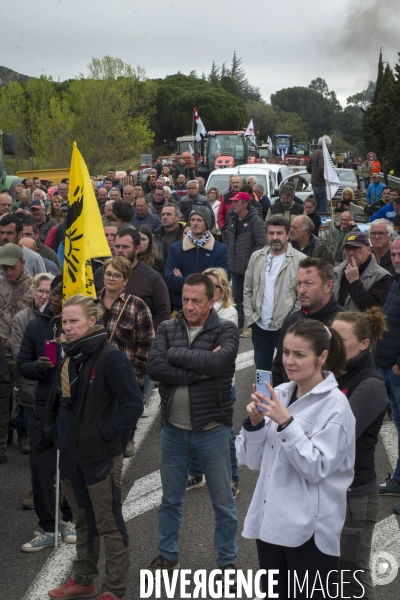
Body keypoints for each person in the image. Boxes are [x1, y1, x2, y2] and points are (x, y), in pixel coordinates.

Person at [236, 319, 356, 599]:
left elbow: (317, 469)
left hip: (309, 533)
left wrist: (286, 423)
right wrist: (254, 424)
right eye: (286, 352)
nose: (289, 361)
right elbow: (253, 461)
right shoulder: (281, 394)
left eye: (299, 354)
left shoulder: (336, 408)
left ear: (322, 357)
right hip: (270, 525)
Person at [39, 294, 143, 600]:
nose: (68, 328)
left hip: (99, 456)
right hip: (71, 455)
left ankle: (113, 588)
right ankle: (83, 579)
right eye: (65, 322)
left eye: (74, 321)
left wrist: (102, 435)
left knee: (109, 522)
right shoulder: (70, 356)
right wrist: (54, 435)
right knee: (83, 519)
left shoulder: (111, 358)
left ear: (92, 322)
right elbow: (60, 403)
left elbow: (133, 404)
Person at [147, 273, 239, 577]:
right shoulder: (167, 327)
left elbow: (219, 365)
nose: (188, 306)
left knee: (223, 502)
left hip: (212, 430)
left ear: (211, 301)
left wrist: (175, 356)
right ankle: (168, 554)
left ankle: (227, 561)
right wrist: (194, 369)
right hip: (173, 430)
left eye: (196, 300)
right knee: (170, 500)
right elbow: (156, 367)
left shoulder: (226, 329)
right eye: (184, 299)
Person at [331, 309, 388, 599]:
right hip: (329, 489)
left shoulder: (371, 385)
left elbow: (337, 437)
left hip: (355, 496)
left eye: (340, 339)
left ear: (364, 344)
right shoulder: (333, 370)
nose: (331, 344)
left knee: (351, 577)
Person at [17, 276, 76, 550]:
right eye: (53, 292)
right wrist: (39, 367)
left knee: (71, 466)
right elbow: (22, 365)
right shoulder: (35, 325)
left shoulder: (80, 327)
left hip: (74, 406)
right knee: (40, 467)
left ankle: (69, 519)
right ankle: (48, 527)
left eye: (62, 294)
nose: (53, 298)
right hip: (43, 405)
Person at [186, 268, 240, 498]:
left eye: (212, 286)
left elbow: (216, 354)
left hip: (221, 384)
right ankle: (196, 473)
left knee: (224, 432)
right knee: (195, 427)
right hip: (197, 380)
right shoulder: (191, 310)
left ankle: (232, 477)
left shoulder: (228, 313)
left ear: (221, 290)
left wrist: (189, 353)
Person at [98, 257, 154, 458]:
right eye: (108, 273)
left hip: (125, 378)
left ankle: (127, 440)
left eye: (116, 275)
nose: (111, 278)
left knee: (120, 431)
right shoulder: (90, 303)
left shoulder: (137, 306)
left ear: (125, 280)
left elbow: (146, 345)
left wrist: (134, 376)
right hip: (95, 379)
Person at [11, 273, 54, 504]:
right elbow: (19, 355)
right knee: (37, 448)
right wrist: (40, 364)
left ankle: (58, 489)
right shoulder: (21, 319)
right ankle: (36, 489)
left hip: (55, 392)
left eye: (49, 291)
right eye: (40, 291)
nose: (44, 296)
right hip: (30, 393)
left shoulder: (60, 318)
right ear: (33, 291)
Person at [243, 216, 304, 370]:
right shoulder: (256, 257)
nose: (275, 237)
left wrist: (291, 322)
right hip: (260, 327)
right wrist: (251, 318)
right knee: (262, 370)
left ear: (288, 235)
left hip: (286, 328)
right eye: (271, 233)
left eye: (279, 233)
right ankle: (263, 395)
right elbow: (248, 289)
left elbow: (302, 296)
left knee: (287, 372)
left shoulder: (301, 260)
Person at [272, 257, 344, 387]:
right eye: (299, 283)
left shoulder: (342, 324)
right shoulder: (291, 321)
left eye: (308, 283)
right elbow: (279, 368)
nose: (301, 290)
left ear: (328, 286)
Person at [94, 228, 170, 332]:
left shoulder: (152, 278)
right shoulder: (100, 273)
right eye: (117, 246)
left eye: (125, 247)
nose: (120, 250)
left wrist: (150, 339)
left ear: (137, 249)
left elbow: (162, 314)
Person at [0, 243, 33, 462]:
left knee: (25, 398)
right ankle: (4, 439)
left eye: (13, 267)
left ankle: (25, 434)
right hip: (2, 352)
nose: (9, 271)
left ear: (22, 263)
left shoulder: (34, 287)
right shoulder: (0, 285)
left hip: (23, 351)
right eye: (4, 268)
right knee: (3, 399)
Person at [375, 239, 400, 510]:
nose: (395, 257)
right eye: (393, 253)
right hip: (387, 366)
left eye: (399, 253)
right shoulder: (396, 280)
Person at [164, 207, 229, 311]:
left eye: (199, 220)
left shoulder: (220, 250)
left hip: (209, 310)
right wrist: (205, 281)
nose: (195, 223)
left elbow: (221, 282)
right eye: (192, 220)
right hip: (181, 308)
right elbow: (169, 281)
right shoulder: (176, 248)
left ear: (207, 223)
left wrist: (183, 279)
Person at [225, 192, 265, 335]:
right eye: (233, 202)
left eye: (236, 202)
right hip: (235, 267)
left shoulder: (256, 221)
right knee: (238, 297)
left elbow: (261, 244)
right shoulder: (232, 220)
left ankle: (251, 325)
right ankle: (240, 324)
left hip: (250, 268)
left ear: (245, 204)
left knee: (251, 297)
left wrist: (250, 262)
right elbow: (228, 241)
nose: (233, 204)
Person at [333, 231, 393, 311]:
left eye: (356, 248)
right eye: (347, 249)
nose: (351, 253)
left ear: (368, 250)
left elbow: (373, 309)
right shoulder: (337, 272)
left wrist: (354, 282)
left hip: (361, 323)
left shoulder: (382, 276)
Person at [153, 204, 185, 269]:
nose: (164, 217)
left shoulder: (185, 236)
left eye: (168, 214)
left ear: (178, 218)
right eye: (163, 214)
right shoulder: (155, 236)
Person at [306, 135, 332, 212]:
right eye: (329, 145)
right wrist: (326, 177)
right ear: (326, 145)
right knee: (324, 205)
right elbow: (322, 168)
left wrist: (314, 174)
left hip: (314, 183)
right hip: (322, 184)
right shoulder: (323, 153)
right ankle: (321, 221)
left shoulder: (314, 153)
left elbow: (308, 168)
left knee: (316, 205)